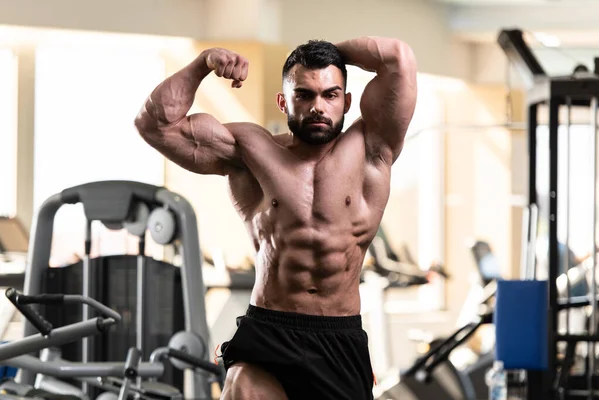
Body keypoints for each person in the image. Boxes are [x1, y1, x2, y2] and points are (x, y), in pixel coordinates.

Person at [134, 36, 417, 400]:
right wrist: (201, 64)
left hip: (338, 337)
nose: (318, 106)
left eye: (330, 94)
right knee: (242, 389)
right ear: (284, 101)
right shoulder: (251, 150)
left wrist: (329, 53)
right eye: (304, 94)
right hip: (269, 328)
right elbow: (155, 125)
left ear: (346, 101)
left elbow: (397, 57)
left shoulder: (371, 150)